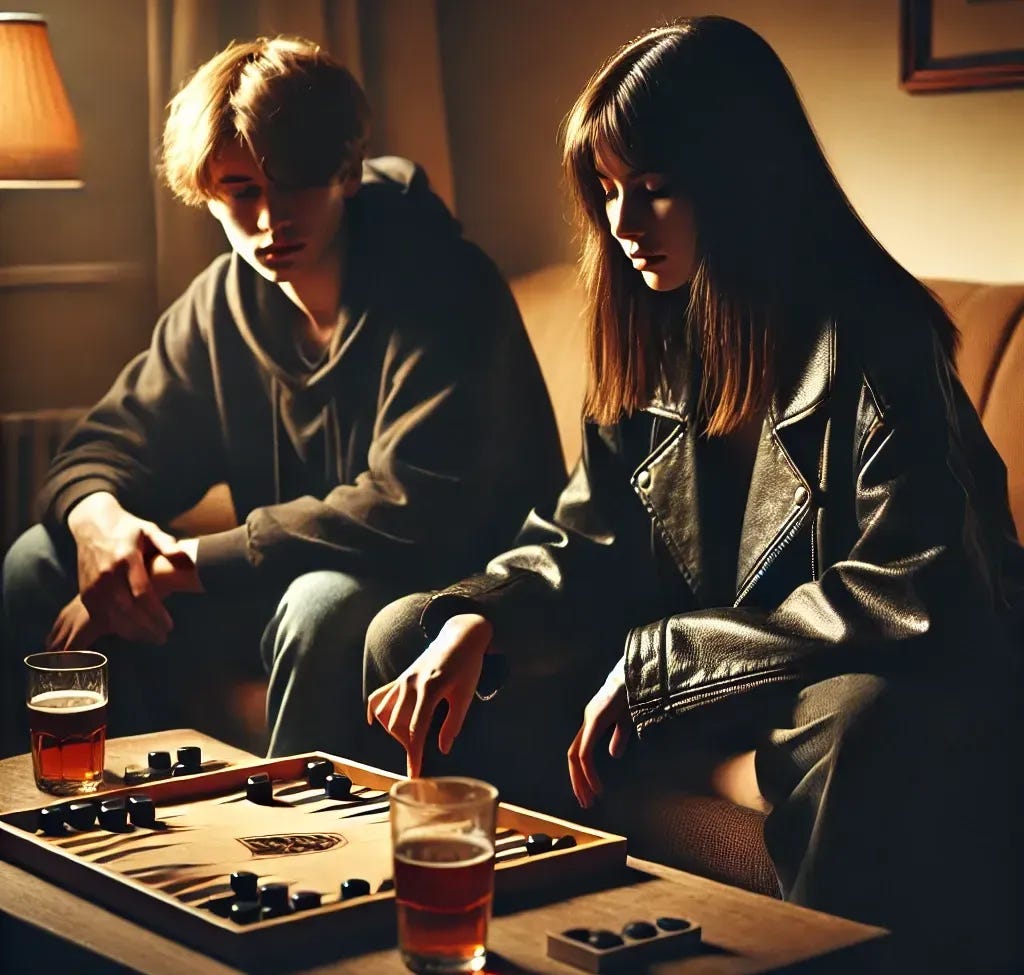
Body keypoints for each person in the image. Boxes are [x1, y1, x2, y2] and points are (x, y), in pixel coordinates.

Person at [363, 17, 1023, 972]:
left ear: (745, 181)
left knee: (865, 721)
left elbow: (913, 590)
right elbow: (584, 538)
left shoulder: (879, 335)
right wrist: (478, 615)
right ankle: (498, 946)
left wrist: (662, 667)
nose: (623, 225)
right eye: (609, 191)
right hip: (707, 683)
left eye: (657, 190)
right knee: (410, 638)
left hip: (829, 691)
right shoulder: (649, 322)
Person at [1, 36, 563, 760]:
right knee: (36, 560)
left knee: (321, 603)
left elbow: (411, 505)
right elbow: (103, 447)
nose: (269, 220)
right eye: (240, 192)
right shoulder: (222, 307)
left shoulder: (445, 283)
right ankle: (111, 818)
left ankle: (298, 852)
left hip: (449, 595)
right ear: (208, 192)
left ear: (346, 171)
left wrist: (185, 561)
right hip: (287, 576)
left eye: (294, 181)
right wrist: (99, 524)